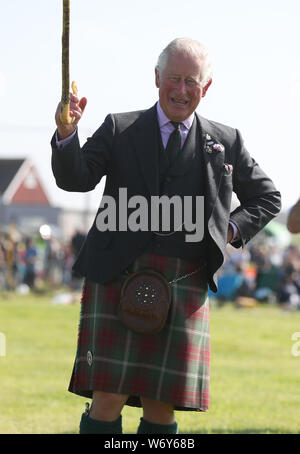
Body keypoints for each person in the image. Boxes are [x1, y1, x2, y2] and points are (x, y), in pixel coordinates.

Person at [51, 38, 281, 434]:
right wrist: (66, 133)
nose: (180, 89)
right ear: (156, 78)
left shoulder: (225, 141)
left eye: (191, 81)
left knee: (161, 404)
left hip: (184, 282)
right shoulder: (119, 128)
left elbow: (267, 197)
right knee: (108, 396)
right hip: (115, 276)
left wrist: (226, 229)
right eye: (173, 78)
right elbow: (76, 178)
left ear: (205, 87)